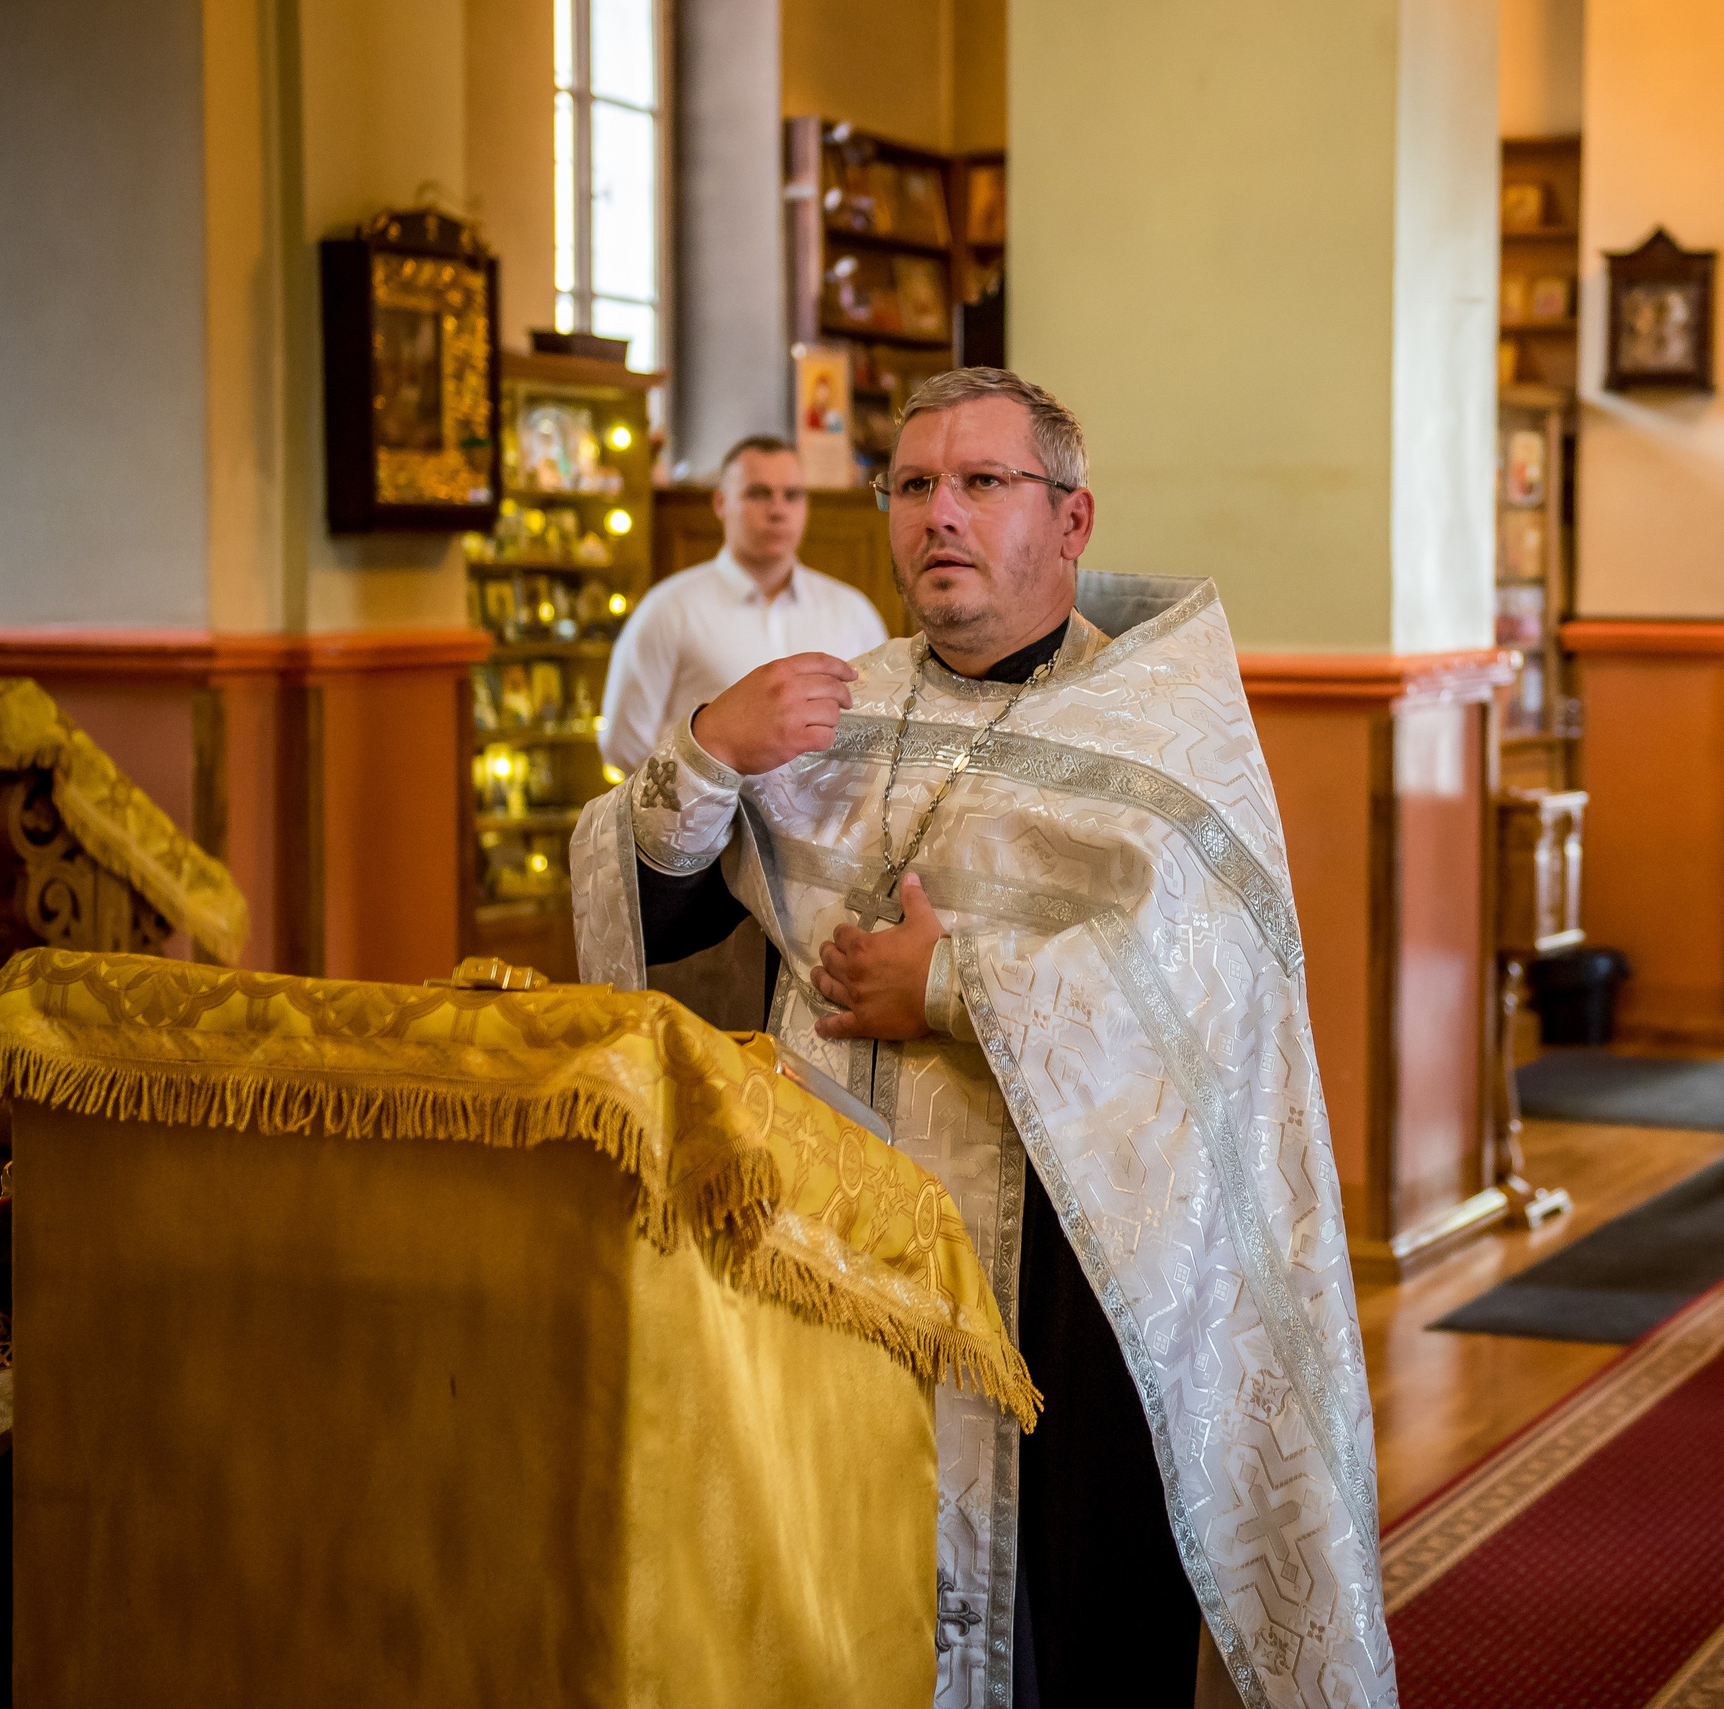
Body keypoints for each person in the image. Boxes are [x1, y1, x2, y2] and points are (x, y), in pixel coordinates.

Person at [569, 369, 1393, 1709]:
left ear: (1070, 522)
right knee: (838, 1586)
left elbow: (1210, 994)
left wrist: (955, 987)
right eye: (912, 486)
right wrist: (714, 751)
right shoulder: (826, 703)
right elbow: (645, 914)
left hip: (1071, 1280)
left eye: (979, 484)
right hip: (827, 1258)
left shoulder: (1160, 728)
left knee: (1070, 1625)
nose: (937, 515)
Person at [597, 434, 888, 772]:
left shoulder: (853, 612)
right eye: (758, 494)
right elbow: (623, 743)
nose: (778, 510)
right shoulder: (668, 609)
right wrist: (702, 802)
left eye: (792, 496)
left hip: (828, 822)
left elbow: (880, 729)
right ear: (721, 503)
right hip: (708, 821)